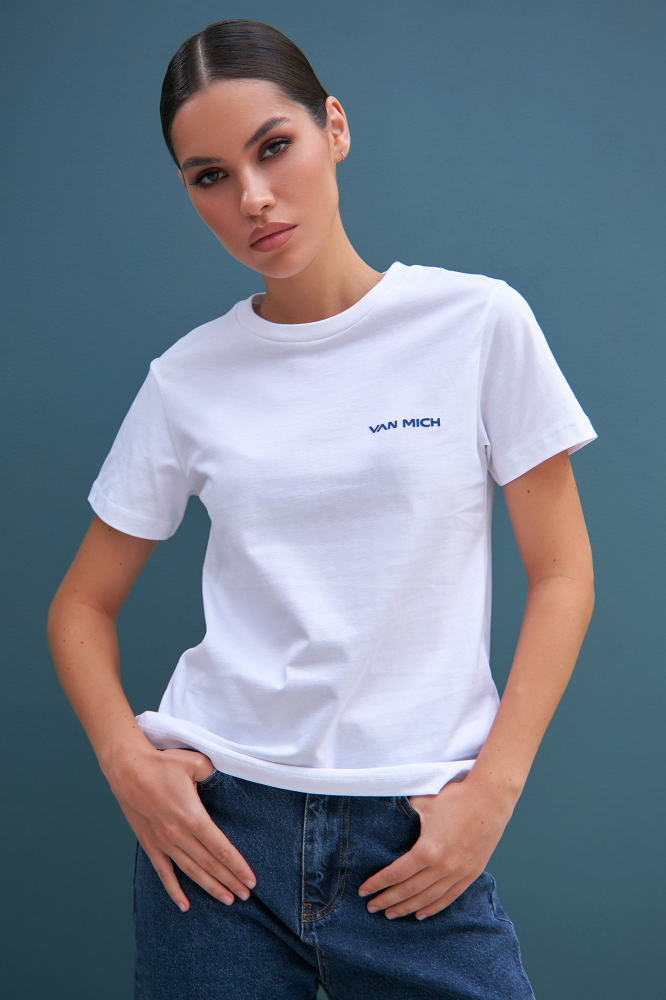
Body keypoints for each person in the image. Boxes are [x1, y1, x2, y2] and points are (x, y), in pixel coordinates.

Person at [48, 18, 596, 1000]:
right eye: (210, 176)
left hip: (415, 830)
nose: (253, 198)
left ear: (333, 127)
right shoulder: (186, 379)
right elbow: (79, 605)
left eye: (274, 147)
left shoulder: (477, 324)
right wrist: (128, 762)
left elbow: (563, 574)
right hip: (218, 837)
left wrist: (493, 791)